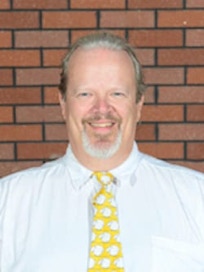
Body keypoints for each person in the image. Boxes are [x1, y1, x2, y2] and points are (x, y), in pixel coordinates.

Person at [0, 32, 204, 272]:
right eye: (85, 94)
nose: (102, 109)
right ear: (63, 104)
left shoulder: (196, 197)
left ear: (139, 105)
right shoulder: (8, 203)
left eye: (117, 94)